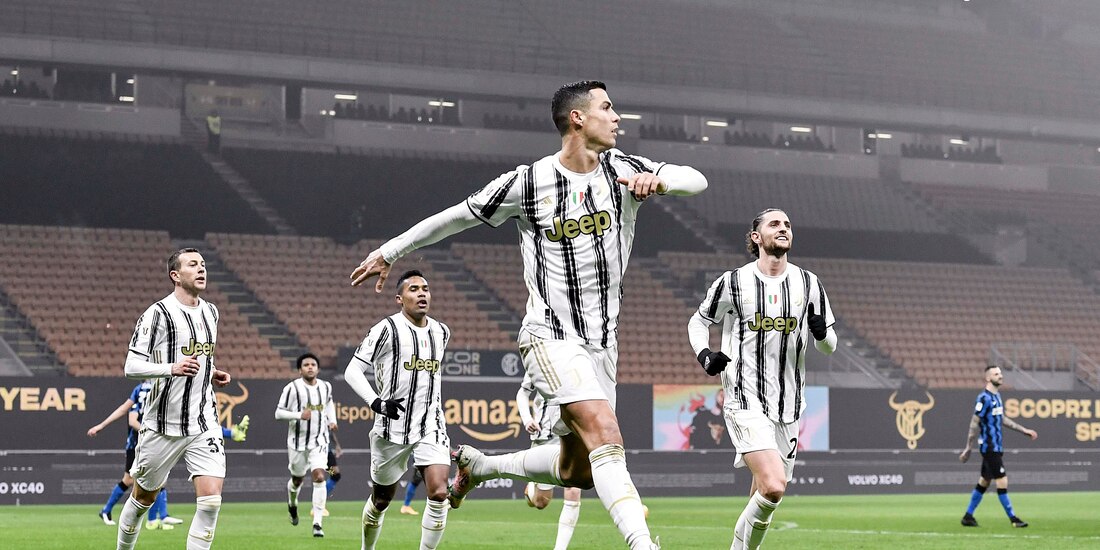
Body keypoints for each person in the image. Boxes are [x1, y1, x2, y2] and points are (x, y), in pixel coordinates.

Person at [350, 80, 706, 550]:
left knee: (577, 468)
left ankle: (481, 466)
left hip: (603, 344)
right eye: (607, 107)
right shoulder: (528, 182)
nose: (617, 116)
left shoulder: (623, 168)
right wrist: (392, 250)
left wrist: (660, 180)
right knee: (606, 432)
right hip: (549, 335)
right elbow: (456, 216)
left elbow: (695, 179)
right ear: (577, 118)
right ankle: (643, 545)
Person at [687, 208, 837, 550]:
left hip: (789, 406)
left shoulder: (809, 283)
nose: (783, 228)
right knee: (773, 485)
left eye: (787, 224)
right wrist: (704, 354)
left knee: (765, 495)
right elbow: (698, 322)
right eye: (774, 224)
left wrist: (821, 336)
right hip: (744, 398)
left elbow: (829, 346)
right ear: (757, 237)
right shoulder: (734, 282)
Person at [115, 248, 232, 550]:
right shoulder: (157, 314)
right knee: (143, 498)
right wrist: (172, 368)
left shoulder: (211, 312)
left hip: (203, 421)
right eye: (193, 265)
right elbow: (131, 367)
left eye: (203, 264)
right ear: (175, 276)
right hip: (161, 423)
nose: (201, 269)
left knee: (210, 502)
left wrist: (212, 371)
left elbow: (200, 357)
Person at [344, 270, 454, 550]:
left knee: (440, 493)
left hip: (431, 424)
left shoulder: (442, 332)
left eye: (425, 289)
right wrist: (376, 402)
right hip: (390, 428)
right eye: (414, 289)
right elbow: (353, 371)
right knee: (381, 500)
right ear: (399, 298)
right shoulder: (386, 329)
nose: (422, 294)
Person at [87, 381, 182, 529]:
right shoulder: (145, 390)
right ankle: (156, 518)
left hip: (149, 443)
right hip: (137, 445)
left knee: (157, 479)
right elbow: (131, 419)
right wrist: (152, 432)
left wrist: (101, 425)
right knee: (132, 480)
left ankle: (160, 517)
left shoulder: (150, 388)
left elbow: (123, 409)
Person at [959, 364, 1037, 528]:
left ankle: (968, 516)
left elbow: (1001, 419)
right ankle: (1013, 518)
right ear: (988, 378)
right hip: (989, 447)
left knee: (984, 482)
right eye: (996, 374)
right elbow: (974, 422)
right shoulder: (984, 398)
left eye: (1000, 373)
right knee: (1002, 481)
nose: (1000, 376)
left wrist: (1023, 430)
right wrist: (968, 447)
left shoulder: (997, 397)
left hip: (997, 446)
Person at [516, 372, 584, 550]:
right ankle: (532, 488)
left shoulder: (579, 359)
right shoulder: (539, 361)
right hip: (545, 436)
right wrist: (527, 419)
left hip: (571, 433)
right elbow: (522, 393)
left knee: (573, 488)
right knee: (541, 502)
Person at [275, 352, 338, 538]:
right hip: (297, 443)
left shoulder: (326, 387)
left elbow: (329, 404)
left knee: (319, 476)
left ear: (318, 368)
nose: (310, 367)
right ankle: (292, 505)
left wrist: (332, 420)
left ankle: (317, 523)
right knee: (297, 481)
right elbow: (278, 413)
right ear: (299, 369)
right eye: (306, 365)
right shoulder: (292, 389)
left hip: (319, 441)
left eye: (313, 364)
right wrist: (298, 415)